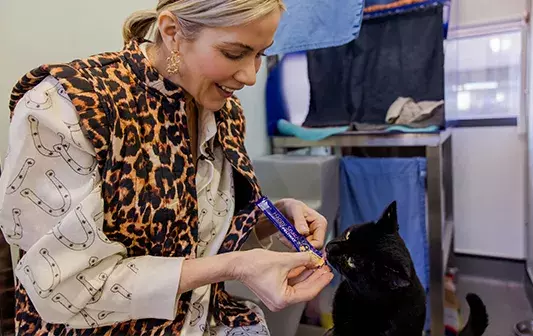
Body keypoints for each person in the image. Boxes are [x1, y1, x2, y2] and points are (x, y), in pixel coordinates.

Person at [0, 1, 334, 335]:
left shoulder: (223, 112)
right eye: (234, 54)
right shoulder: (70, 107)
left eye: (260, 54)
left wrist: (268, 222)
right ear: (172, 32)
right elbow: (63, 284)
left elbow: (195, 235)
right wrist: (234, 266)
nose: (249, 76)